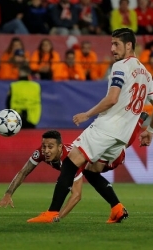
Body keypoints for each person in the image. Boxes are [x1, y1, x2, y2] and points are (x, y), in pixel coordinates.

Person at [27, 28, 153, 223]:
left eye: (116, 44)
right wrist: (150, 130)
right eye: (111, 44)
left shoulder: (120, 66)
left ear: (129, 45)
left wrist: (87, 114)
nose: (112, 49)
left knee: (71, 161)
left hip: (107, 127)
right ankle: (117, 208)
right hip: (124, 138)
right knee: (88, 168)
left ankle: (51, 213)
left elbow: (112, 99)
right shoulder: (146, 74)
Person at [0, 111, 148, 219]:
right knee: (90, 172)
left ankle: (140, 120)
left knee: (110, 155)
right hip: (94, 157)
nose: (46, 151)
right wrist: (8, 193)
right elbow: (23, 172)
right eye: (44, 147)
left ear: (60, 148)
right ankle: (117, 208)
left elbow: (76, 195)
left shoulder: (71, 159)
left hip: (109, 158)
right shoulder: (40, 153)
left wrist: (58, 217)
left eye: (50, 147)